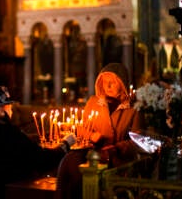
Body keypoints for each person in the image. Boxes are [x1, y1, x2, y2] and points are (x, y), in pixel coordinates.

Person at [55, 63, 145, 199]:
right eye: (105, 82)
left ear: (122, 84)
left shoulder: (133, 109)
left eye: (112, 83)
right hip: (91, 155)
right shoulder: (93, 102)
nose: (107, 86)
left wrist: (115, 148)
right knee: (69, 161)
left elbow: (138, 141)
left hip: (117, 162)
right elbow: (82, 129)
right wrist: (92, 136)